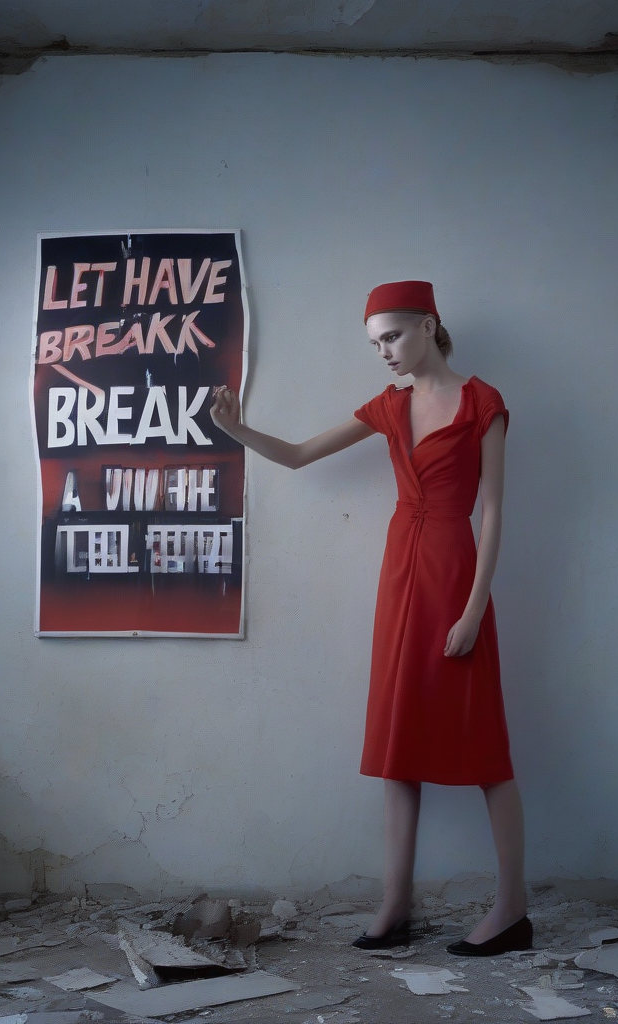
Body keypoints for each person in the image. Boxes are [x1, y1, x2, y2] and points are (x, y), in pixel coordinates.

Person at [209, 280, 530, 957]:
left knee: (484, 744)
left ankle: (512, 908)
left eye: (391, 336)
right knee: (398, 740)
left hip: (454, 574)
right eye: (374, 342)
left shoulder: (484, 403)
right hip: (400, 578)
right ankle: (395, 906)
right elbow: (299, 455)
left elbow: (495, 509)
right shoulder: (389, 406)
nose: (382, 351)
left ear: (428, 324)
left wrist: (474, 608)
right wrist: (237, 432)